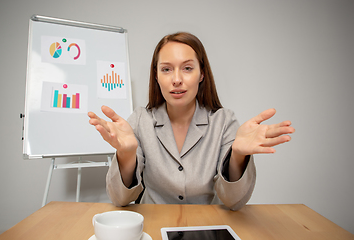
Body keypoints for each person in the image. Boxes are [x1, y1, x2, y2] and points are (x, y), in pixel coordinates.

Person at [88, 32, 295, 210]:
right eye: (166, 69)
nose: (176, 79)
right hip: (154, 226)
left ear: (202, 74)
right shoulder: (141, 119)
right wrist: (126, 155)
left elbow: (234, 202)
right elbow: (120, 199)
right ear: (157, 76)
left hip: (208, 229)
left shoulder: (224, 121)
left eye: (187, 68)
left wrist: (238, 156)